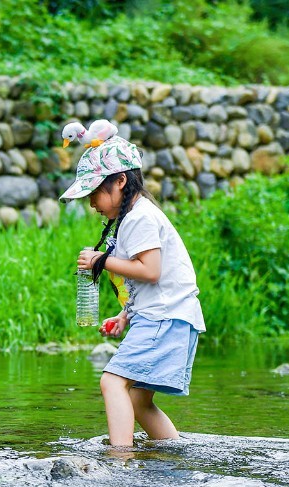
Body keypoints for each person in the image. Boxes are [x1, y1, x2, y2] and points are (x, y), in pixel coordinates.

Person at [59, 135, 206, 448]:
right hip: (168, 316)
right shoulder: (135, 217)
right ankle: (172, 453)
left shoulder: (139, 217)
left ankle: (121, 461)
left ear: (121, 181)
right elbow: (152, 279)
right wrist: (125, 315)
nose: (91, 203)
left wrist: (101, 260)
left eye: (95, 192)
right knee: (138, 400)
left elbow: (151, 271)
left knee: (111, 382)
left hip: (163, 318)